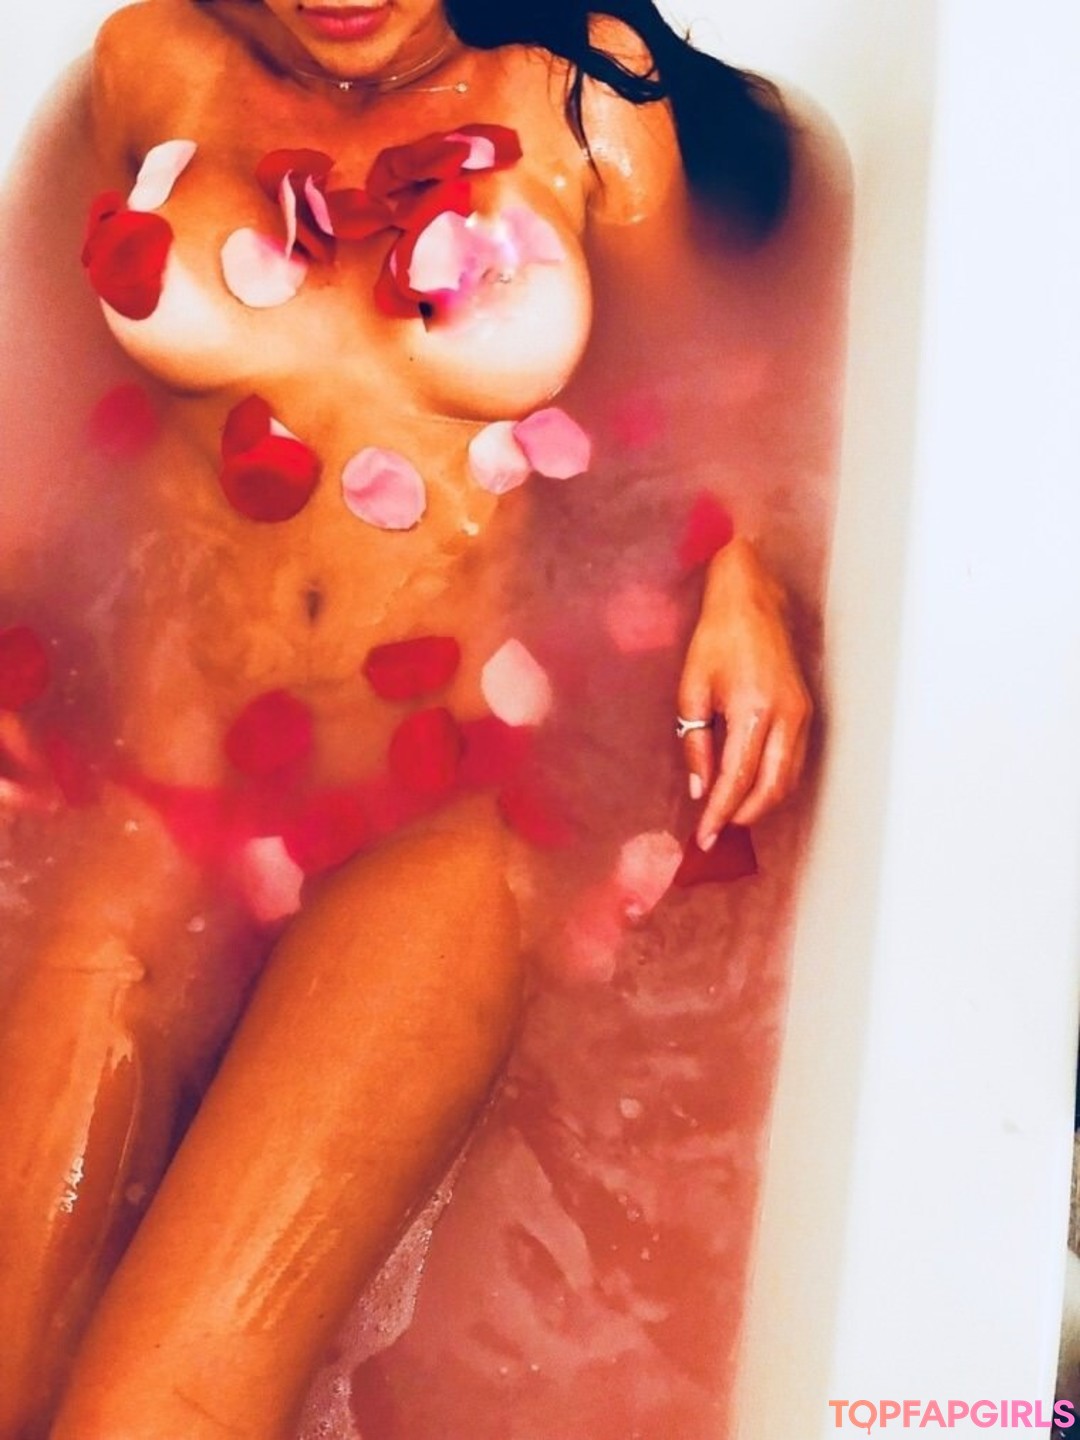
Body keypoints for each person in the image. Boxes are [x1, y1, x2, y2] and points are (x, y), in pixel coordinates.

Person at [0, 0, 845, 1434]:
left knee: (148, 1415)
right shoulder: (148, 65)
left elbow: (702, 373)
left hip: (439, 821)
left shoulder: (583, 94)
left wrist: (743, 574)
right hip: (163, 790)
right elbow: (35, 366)